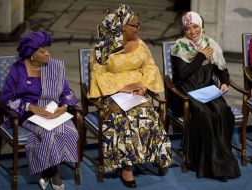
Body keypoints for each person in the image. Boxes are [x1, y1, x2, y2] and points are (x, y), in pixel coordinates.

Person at [88, 4, 172, 188]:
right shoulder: (104, 46)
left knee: (148, 116)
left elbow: (150, 67)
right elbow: (97, 72)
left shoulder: (141, 45)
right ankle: (126, 166)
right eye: (135, 25)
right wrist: (121, 86)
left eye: (138, 25)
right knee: (123, 121)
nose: (138, 29)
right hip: (111, 94)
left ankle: (152, 155)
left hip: (136, 92)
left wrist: (143, 85)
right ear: (122, 27)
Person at [0, 31, 79, 190]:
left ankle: (46, 172)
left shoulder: (54, 67)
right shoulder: (18, 70)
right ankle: (53, 172)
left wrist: (63, 107)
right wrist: (31, 107)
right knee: (48, 135)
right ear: (31, 54)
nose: (47, 54)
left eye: (47, 50)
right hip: (29, 115)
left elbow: (67, 92)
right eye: (42, 51)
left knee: (70, 131)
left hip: (53, 112)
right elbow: (6, 97)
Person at [170, 11, 241, 181]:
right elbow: (181, 74)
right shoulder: (179, 47)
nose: (192, 31)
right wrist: (200, 56)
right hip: (186, 92)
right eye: (188, 28)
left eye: (195, 26)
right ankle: (207, 165)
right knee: (206, 115)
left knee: (223, 111)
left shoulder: (211, 44)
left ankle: (224, 162)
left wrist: (224, 82)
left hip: (207, 89)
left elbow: (222, 70)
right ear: (184, 30)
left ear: (201, 26)